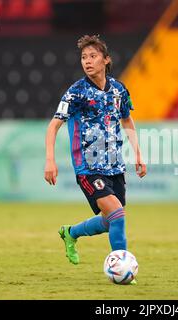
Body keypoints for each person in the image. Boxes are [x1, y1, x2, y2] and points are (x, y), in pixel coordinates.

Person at [44, 35, 147, 278]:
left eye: (92, 56)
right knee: (118, 214)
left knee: (110, 220)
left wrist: (138, 153)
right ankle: (122, 271)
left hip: (115, 166)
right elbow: (53, 126)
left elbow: (126, 119)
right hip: (88, 167)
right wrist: (50, 159)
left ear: (106, 60)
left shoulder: (119, 90)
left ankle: (70, 233)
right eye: (83, 57)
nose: (87, 61)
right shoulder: (77, 92)